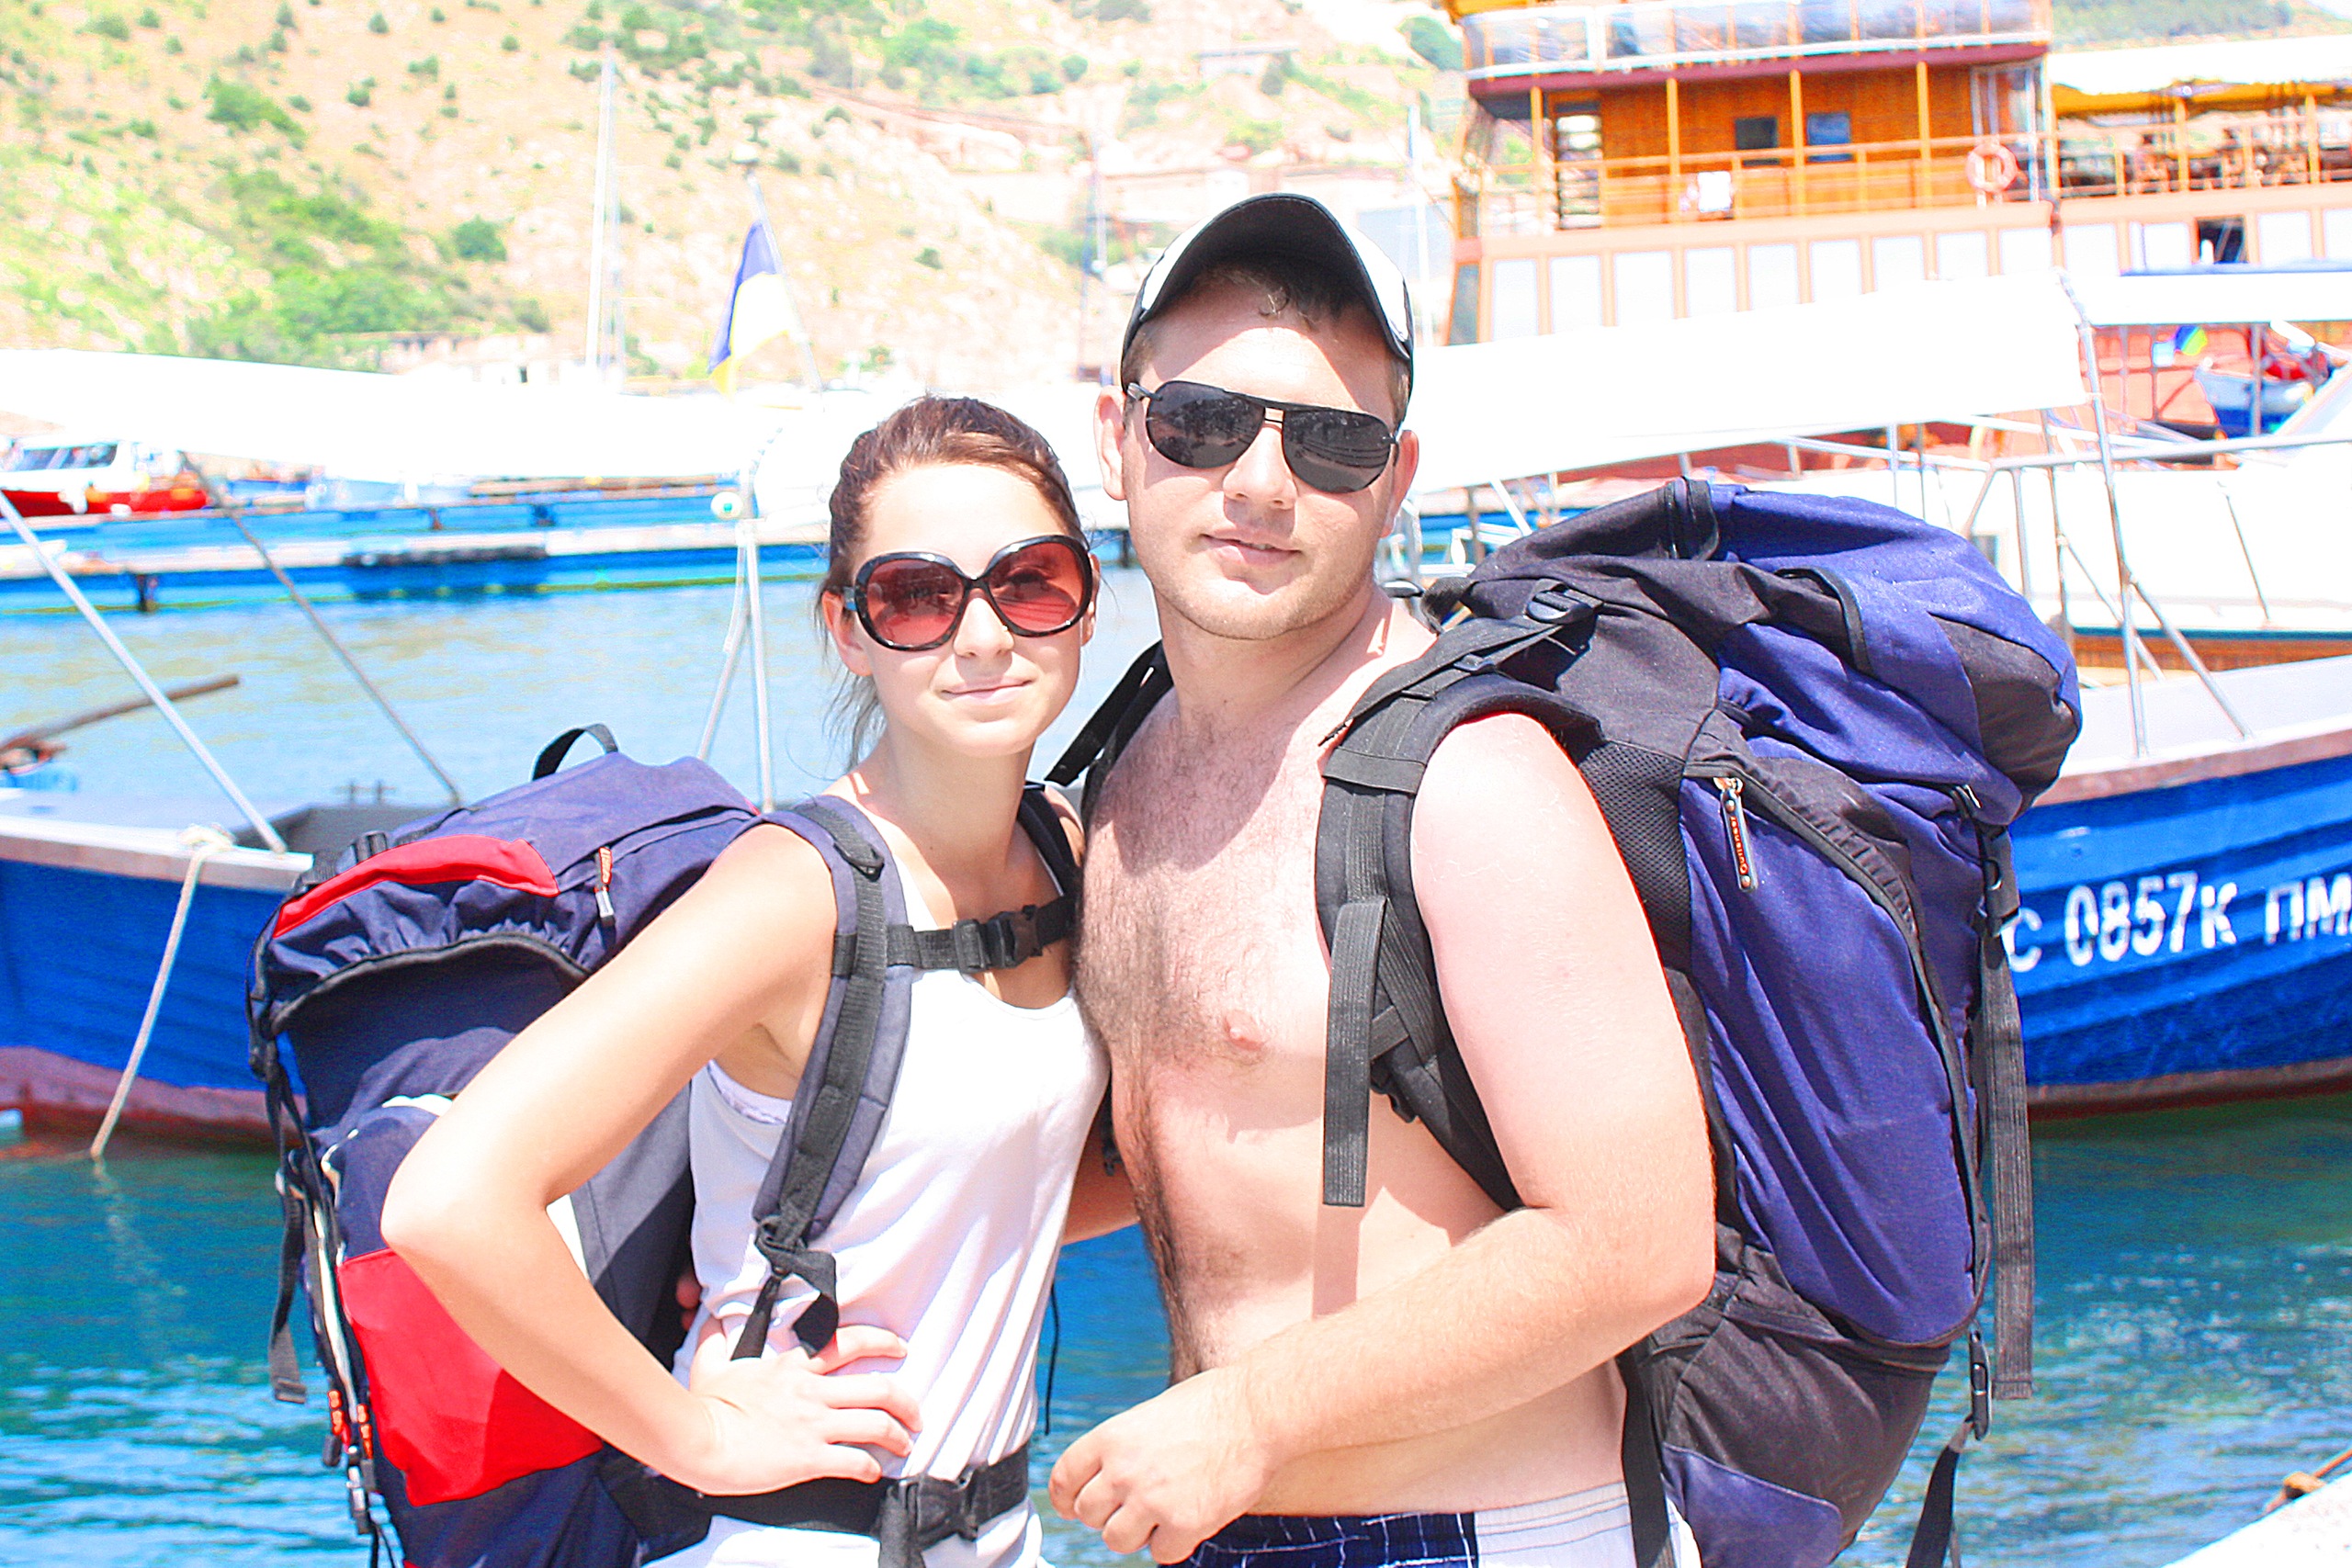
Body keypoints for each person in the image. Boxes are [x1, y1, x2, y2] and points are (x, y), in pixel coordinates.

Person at [1048, 195, 1716, 1567]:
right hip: (1225, 1516)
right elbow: (1195, 1134)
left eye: (1331, 442)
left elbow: (1641, 1241)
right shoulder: (1124, 774)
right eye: (1201, 422)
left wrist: (1247, 1413)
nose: (1259, 482)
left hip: (1485, 1533)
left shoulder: (1470, 782)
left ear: (1395, 478)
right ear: (1118, 437)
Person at [382, 396, 1129, 1568]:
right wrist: (701, 1440)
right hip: (787, 1538)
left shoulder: (1064, 854)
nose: (982, 635)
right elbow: (447, 1202)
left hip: (993, 1532)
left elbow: (998, 1185)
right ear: (848, 629)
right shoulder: (791, 895)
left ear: (1086, 598)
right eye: (917, 596)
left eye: (1028, 581)